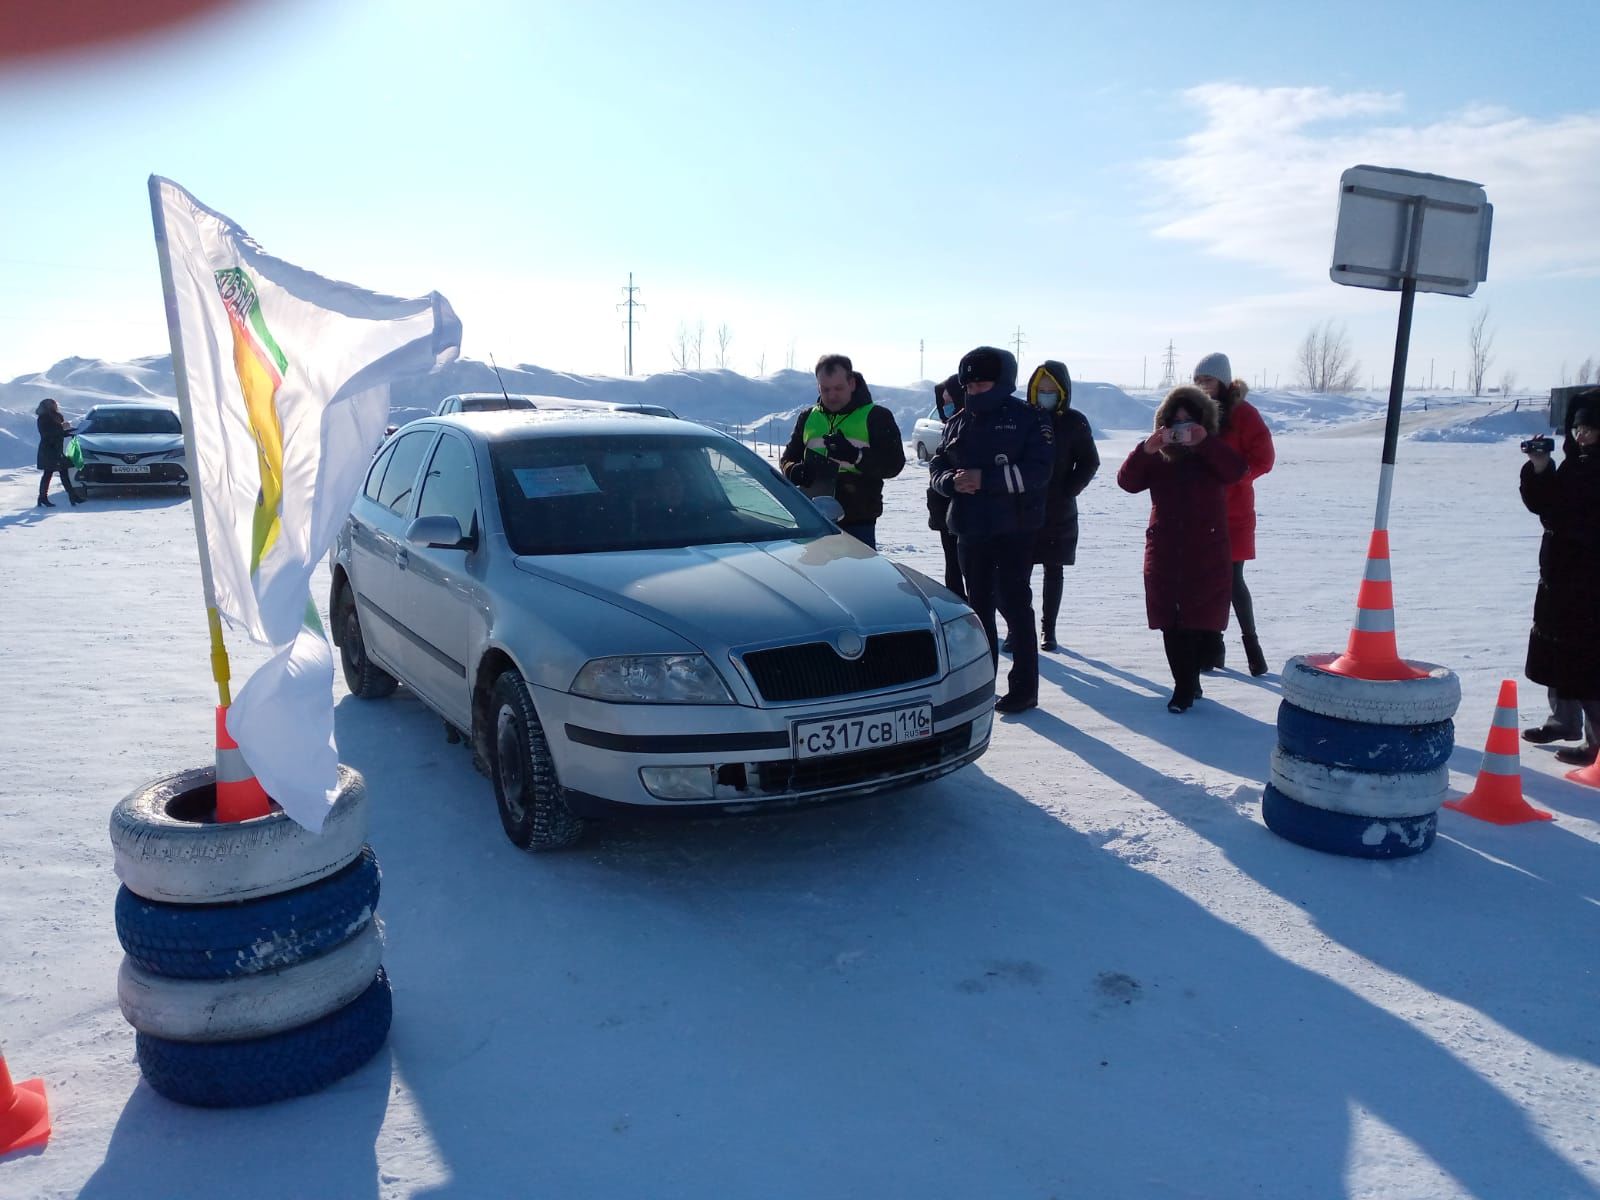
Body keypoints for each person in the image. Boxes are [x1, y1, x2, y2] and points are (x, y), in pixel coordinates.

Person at [929, 346, 1054, 714]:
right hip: (969, 529)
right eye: (970, 384)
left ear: (1002, 382)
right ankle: (984, 684)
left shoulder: (1029, 419)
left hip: (1013, 528)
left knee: (1016, 607)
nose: (974, 391)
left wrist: (987, 479)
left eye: (983, 383)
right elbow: (937, 466)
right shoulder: (957, 422)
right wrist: (951, 482)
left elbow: (1039, 472)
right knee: (977, 609)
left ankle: (1025, 688)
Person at [1117, 384, 1246, 713]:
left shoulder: (1212, 452)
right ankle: (1183, 687)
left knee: (1198, 620)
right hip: (1165, 548)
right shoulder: (1158, 455)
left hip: (1206, 549)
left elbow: (1236, 470)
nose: (1181, 430)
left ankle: (1192, 678)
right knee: (1170, 621)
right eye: (1175, 422)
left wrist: (1205, 443)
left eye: (1189, 422)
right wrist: (1145, 450)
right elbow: (1127, 482)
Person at [1519, 388, 1600, 765]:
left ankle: (1596, 741)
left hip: (1589, 579)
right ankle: (1563, 720)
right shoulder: (1576, 460)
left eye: (1590, 428)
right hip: (1560, 574)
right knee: (1557, 648)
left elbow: (1570, 515)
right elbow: (1546, 505)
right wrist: (1540, 468)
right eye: (1577, 427)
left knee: (1587, 658)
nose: (1581, 434)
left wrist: (1564, 522)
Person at [1193, 352, 1273, 676]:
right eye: (1197, 381)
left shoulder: (1244, 414)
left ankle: (1252, 646)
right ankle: (1213, 647)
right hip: (1201, 513)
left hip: (1235, 513)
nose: (1203, 386)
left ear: (1223, 381)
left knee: (1232, 580)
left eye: (1208, 380)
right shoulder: (1196, 413)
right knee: (1206, 581)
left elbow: (1264, 458)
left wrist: (1235, 477)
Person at [780, 354, 906, 548]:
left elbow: (894, 465)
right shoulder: (808, 417)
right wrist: (794, 470)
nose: (832, 395)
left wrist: (856, 456)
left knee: (857, 578)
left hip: (858, 521)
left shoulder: (876, 416)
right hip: (813, 520)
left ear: (852, 383)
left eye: (838, 388)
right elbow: (787, 458)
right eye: (825, 389)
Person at [1021, 360, 1099, 652]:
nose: (1045, 395)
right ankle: (1021, 628)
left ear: (1062, 391)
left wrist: (1069, 489)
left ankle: (1048, 629)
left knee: (1054, 571)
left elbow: (1090, 461)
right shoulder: (1023, 417)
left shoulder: (1074, 422)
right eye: (1041, 390)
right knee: (1019, 573)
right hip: (1024, 508)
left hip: (1059, 511)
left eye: (1051, 390)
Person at [924, 375, 966, 597]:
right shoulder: (949, 427)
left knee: (969, 568)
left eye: (949, 400)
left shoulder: (969, 427)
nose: (946, 405)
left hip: (963, 511)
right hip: (944, 508)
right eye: (943, 401)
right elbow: (938, 463)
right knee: (952, 565)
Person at [35, 397, 82, 508]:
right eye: (54, 404)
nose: (56, 406)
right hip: (49, 450)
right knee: (49, 473)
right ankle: (43, 497)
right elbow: (49, 434)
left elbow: (58, 433)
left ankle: (72, 496)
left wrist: (71, 432)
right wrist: (63, 428)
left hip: (56, 450)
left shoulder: (53, 417)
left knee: (62, 472)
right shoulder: (43, 418)